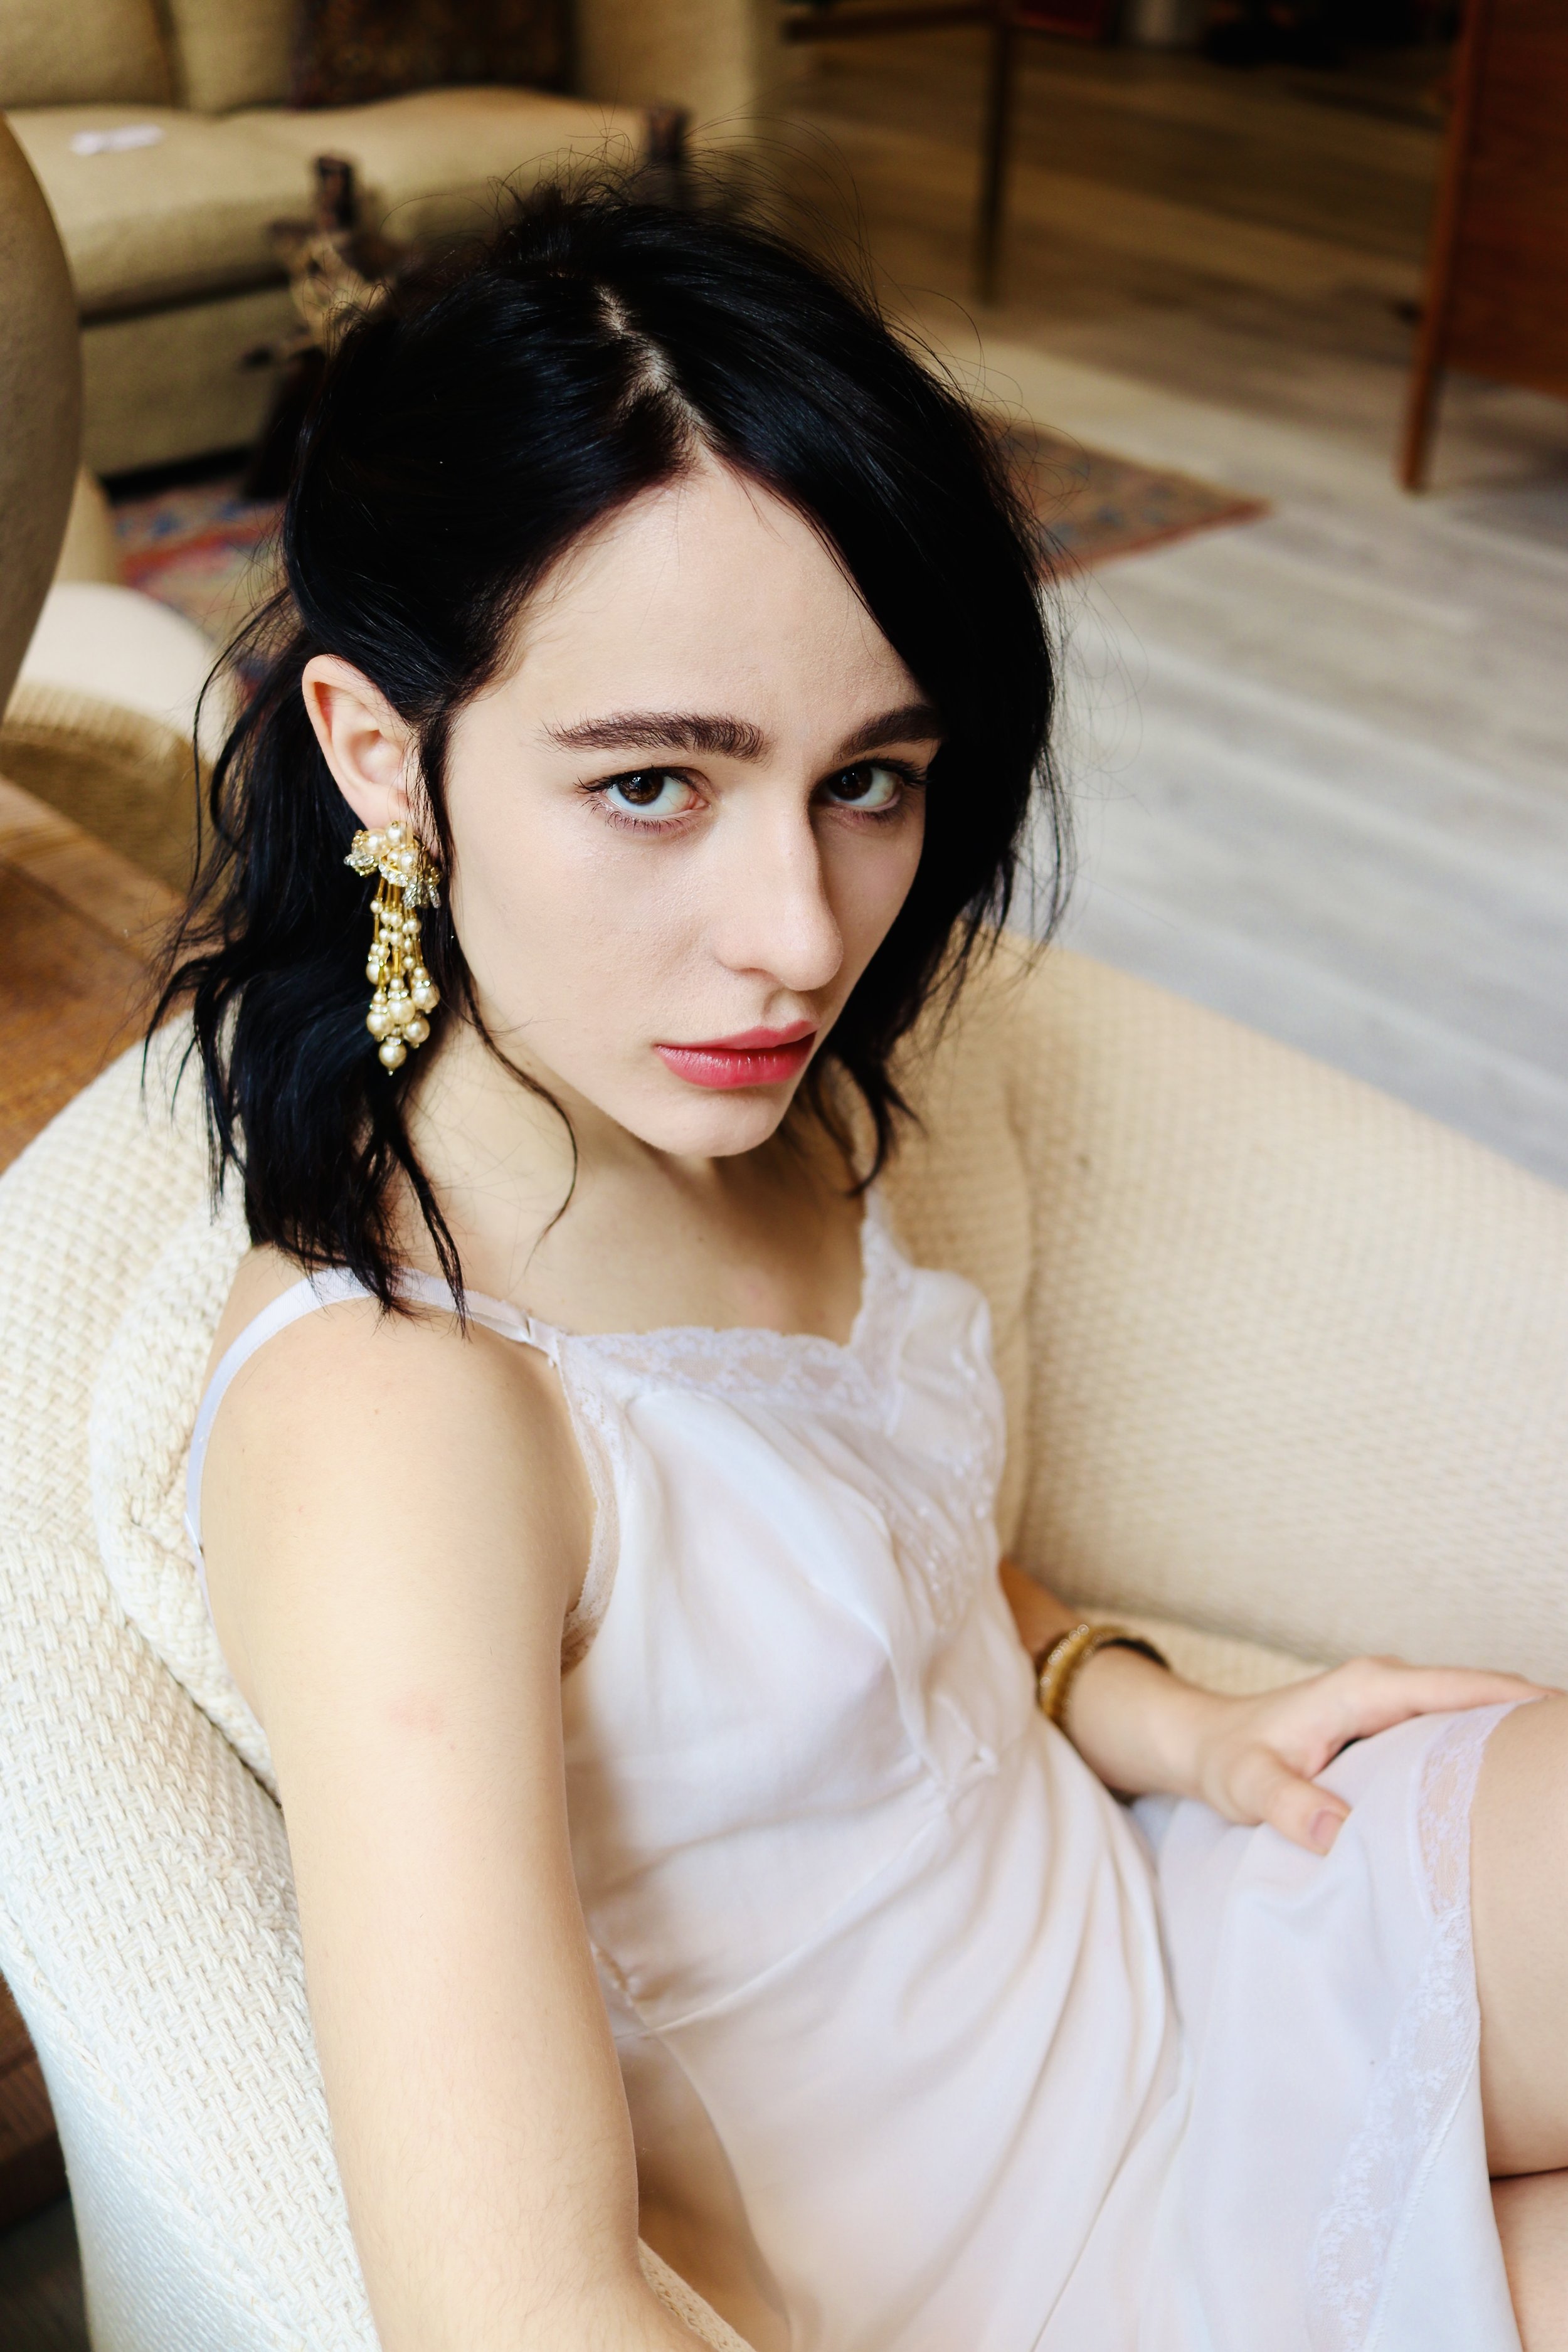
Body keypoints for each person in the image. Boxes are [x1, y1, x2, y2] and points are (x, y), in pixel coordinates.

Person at [162, 180, 1568, 2352]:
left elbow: (877, 1560)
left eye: (870, 781)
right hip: (1040, 2283)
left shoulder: (755, 1108)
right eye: (654, 785)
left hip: (1178, 1941)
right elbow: (509, 2307)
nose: (800, 937)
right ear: (380, 754)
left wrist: (1155, 1711)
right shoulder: (392, 1422)